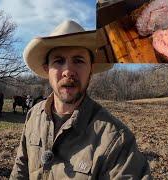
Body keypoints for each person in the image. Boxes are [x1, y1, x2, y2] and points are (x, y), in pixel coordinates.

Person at [10, 20, 151, 180]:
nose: (68, 71)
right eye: (59, 61)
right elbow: (20, 169)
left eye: (78, 61)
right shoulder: (33, 115)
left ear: (90, 70)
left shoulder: (116, 140)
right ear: (47, 69)